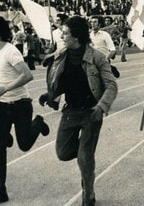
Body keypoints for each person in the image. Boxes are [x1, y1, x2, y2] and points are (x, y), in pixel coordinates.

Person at [40, 15, 118, 206]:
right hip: (71, 112)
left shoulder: (97, 57)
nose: (62, 37)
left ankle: (88, 194)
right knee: (63, 153)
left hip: (92, 112)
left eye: (65, 33)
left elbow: (111, 85)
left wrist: (102, 106)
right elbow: (60, 82)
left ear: (76, 37)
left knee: (84, 157)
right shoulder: (60, 56)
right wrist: (50, 95)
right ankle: (87, 158)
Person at [0, 17, 50, 205]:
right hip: (2, 107)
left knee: (24, 144)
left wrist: (5, 88)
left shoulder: (11, 51)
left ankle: (38, 123)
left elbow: (27, 75)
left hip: (20, 104)